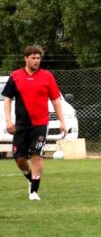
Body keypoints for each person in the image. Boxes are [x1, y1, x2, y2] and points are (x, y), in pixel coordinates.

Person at [2, 45, 67, 201]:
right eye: (33, 58)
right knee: (19, 158)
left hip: (40, 124)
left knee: (37, 155)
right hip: (21, 125)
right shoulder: (15, 76)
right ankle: (31, 178)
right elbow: (7, 100)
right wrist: (9, 120)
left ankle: (34, 191)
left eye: (38, 58)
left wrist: (62, 121)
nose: (36, 61)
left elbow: (56, 101)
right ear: (26, 58)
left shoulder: (47, 76)